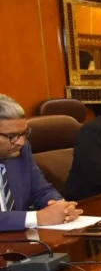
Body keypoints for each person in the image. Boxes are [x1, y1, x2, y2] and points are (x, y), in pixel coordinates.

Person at [0, 94, 82, 231]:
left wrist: (61, 207)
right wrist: (38, 218)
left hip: (21, 239)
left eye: (24, 133)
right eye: (12, 136)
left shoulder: (21, 150)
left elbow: (41, 191)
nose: (21, 142)